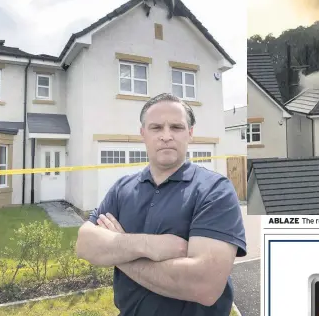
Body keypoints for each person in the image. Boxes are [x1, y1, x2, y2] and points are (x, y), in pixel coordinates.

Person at [75, 93, 247, 316]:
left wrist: (118, 252)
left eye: (176, 127)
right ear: (143, 134)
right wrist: (148, 245)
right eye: (156, 127)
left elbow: (205, 285)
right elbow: (84, 244)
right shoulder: (122, 189)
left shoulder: (214, 190)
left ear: (190, 134)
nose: (166, 136)